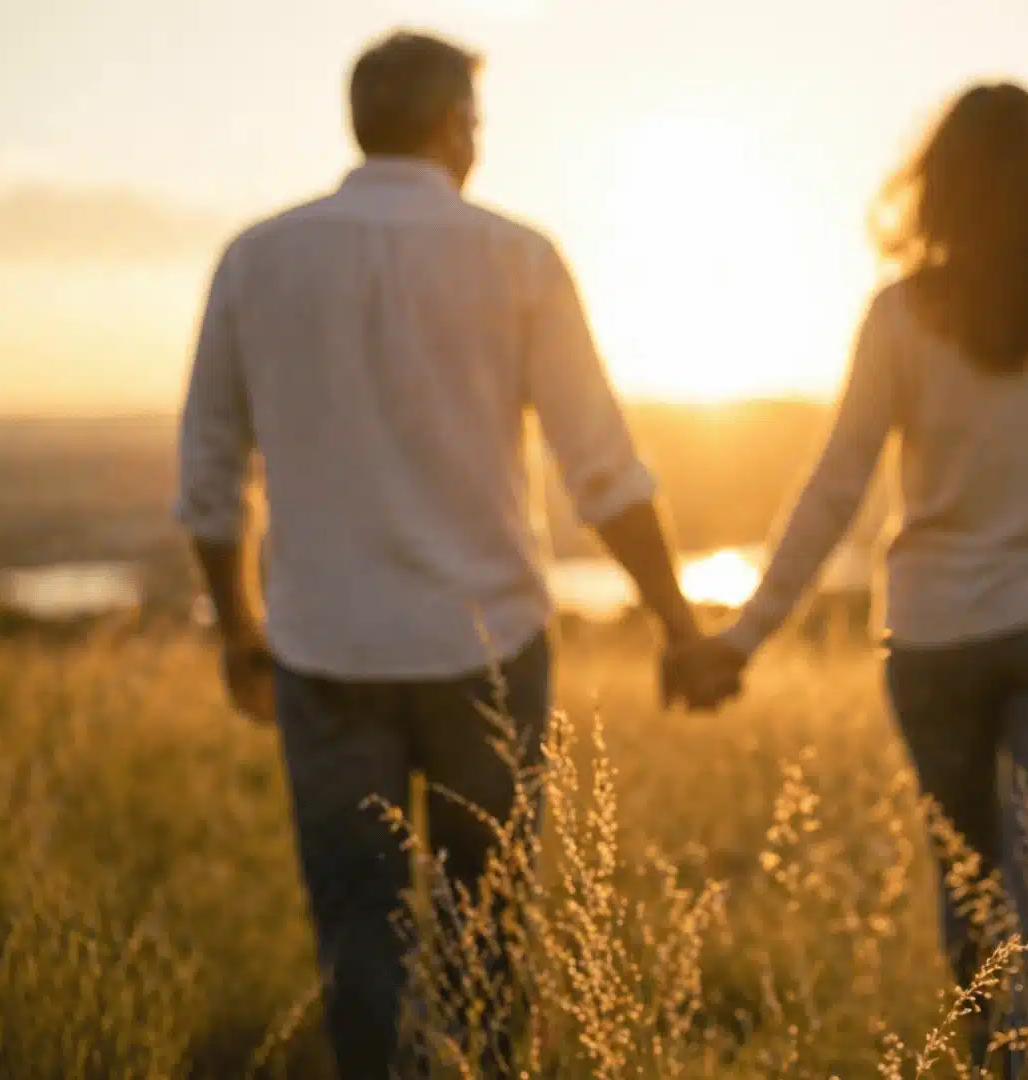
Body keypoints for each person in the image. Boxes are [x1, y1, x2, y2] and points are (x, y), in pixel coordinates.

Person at [175, 31, 736, 1079]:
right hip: (489, 653)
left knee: (358, 938)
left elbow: (209, 478)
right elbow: (602, 470)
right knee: (487, 933)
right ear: (453, 127)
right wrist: (678, 623)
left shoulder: (257, 259)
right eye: (475, 120)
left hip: (325, 651)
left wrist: (239, 630)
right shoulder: (518, 257)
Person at [678, 82, 1028, 1067]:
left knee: (966, 875)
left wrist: (745, 633)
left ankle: (983, 1059)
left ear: (938, 191)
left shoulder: (902, 317)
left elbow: (837, 488)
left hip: (936, 637)